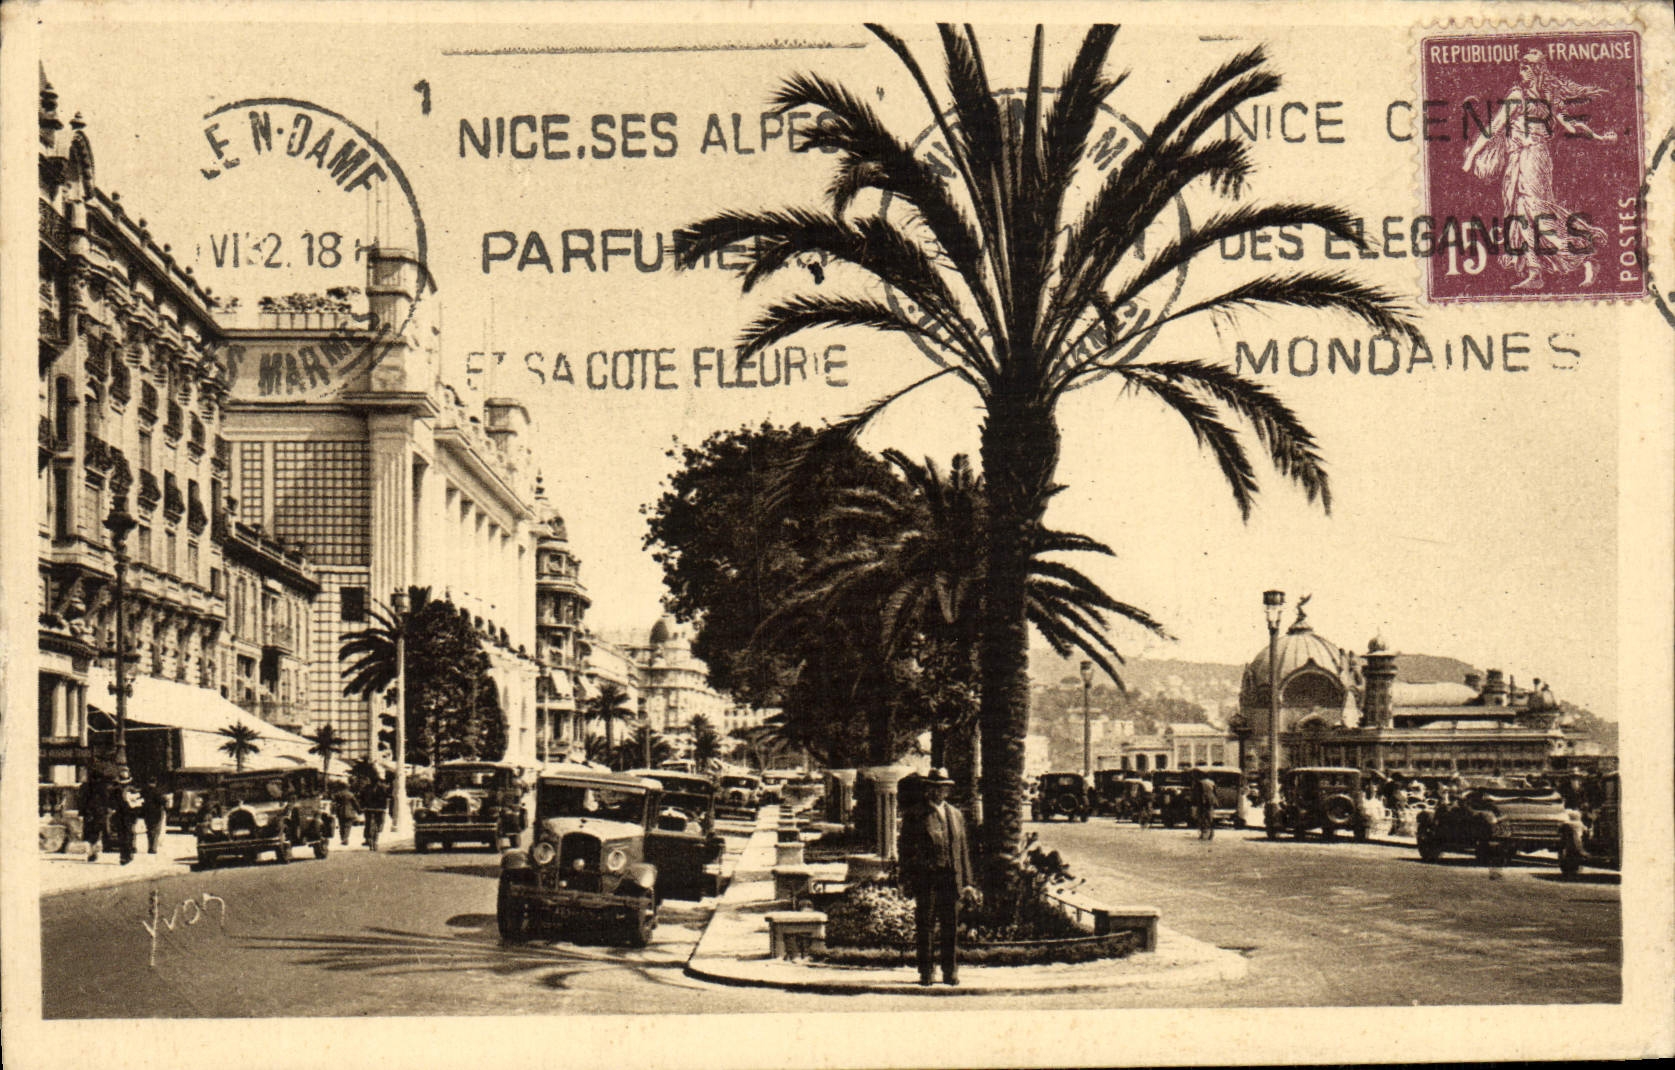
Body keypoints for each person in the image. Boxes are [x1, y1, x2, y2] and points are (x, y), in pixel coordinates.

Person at [1460, 50, 1615, 291]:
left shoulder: (1520, 97)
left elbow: (1494, 128)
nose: (1520, 73)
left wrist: (1471, 156)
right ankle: (1535, 272)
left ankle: (1584, 258)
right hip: (1528, 158)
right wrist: (1598, 136)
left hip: (1529, 159)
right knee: (1522, 213)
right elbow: (1569, 126)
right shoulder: (1545, 96)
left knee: (1535, 212)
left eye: (1525, 68)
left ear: (1535, 71)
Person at [897, 768, 975, 987]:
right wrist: (906, 879)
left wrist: (967, 882)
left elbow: (963, 851)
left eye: (944, 787)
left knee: (951, 926)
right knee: (926, 925)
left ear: (948, 790)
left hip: (951, 879)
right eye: (935, 787)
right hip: (927, 879)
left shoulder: (956, 815)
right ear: (928, 789)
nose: (940, 792)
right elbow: (906, 851)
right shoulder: (915, 815)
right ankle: (926, 972)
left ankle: (950, 971)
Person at [78, 768, 110, 863]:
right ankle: (94, 852)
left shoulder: (84, 786)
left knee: (88, 833)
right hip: (99, 813)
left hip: (88, 813)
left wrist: (81, 812)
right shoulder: (103, 787)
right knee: (97, 833)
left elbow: (81, 801)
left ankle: (90, 852)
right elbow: (106, 800)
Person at [111, 767, 141, 865]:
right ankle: (126, 855)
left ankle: (125, 855)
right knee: (125, 834)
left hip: (125, 814)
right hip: (124, 814)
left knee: (125, 834)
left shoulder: (120, 789)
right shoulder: (120, 789)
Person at [360, 774, 389, 850]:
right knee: (374, 824)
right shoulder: (382, 788)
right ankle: (373, 840)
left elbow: (361, 798)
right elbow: (385, 798)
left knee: (370, 824)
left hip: (372, 809)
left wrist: (363, 806)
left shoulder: (367, 788)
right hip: (376, 809)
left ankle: (369, 839)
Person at [140, 778, 168, 855]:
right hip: (157, 812)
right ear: (155, 783)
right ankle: (153, 848)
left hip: (147, 812)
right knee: (156, 830)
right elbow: (163, 801)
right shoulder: (158, 791)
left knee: (149, 829)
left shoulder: (144, 791)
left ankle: (150, 846)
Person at [331, 780, 361, 846]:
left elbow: (333, 803)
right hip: (349, 811)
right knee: (347, 826)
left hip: (340, 811)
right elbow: (355, 803)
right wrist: (359, 811)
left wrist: (333, 811)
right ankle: (345, 838)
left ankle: (342, 838)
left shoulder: (338, 794)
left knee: (341, 825)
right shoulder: (350, 794)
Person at [1193, 773, 1218, 840]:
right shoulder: (1212, 782)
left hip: (1203, 801)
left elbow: (1198, 793)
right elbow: (1215, 792)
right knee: (1210, 818)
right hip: (1211, 800)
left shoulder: (1200, 783)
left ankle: (1202, 834)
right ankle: (1211, 834)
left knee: (1201, 817)